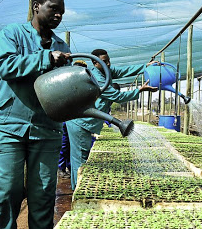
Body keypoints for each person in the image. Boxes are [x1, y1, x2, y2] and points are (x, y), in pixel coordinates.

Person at [0, 0, 72, 229]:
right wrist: (47, 59)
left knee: (43, 192)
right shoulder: (12, 34)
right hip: (8, 126)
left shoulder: (62, 44)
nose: (58, 14)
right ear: (36, 7)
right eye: (52, 8)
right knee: (6, 190)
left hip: (46, 128)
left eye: (61, 10)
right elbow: (7, 66)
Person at [66, 49, 158, 190]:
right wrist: (139, 90)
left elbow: (122, 71)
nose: (108, 64)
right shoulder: (97, 77)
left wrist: (145, 66)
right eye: (104, 61)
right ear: (95, 63)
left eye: (109, 60)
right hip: (80, 123)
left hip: (87, 121)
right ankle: (77, 190)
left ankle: (78, 187)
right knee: (80, 159)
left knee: (82, 157)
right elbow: (117, 96)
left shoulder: (105, 70)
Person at [58, 60, 89, 178]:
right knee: (64, 144)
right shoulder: (66, 81)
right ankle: (61, 168)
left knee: (73, 146)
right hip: (64, 118)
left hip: (75, 119)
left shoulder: (82, 83)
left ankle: (71, 168)